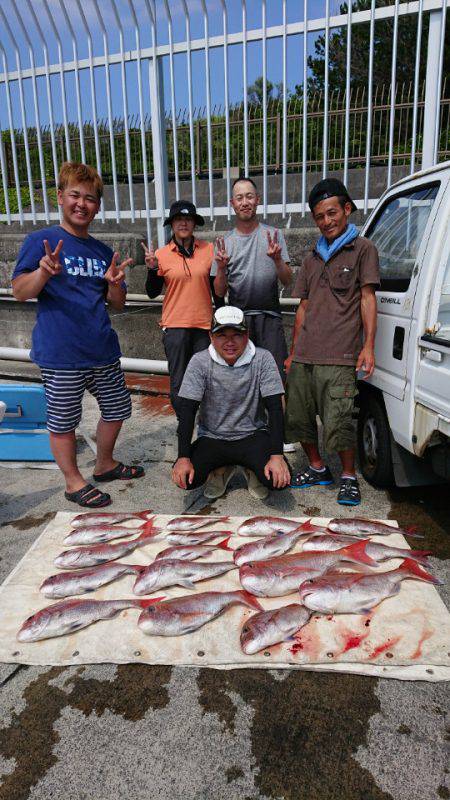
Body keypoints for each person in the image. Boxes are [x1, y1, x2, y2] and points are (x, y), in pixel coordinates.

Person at [12, 161, 144, 508]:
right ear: (60, 197)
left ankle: (105, 464)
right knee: (64, 420)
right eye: (75, 195)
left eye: (90, 198)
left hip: (102, 349)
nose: (82, 204)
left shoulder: (102, 252)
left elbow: (117, 305)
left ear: (97, 206)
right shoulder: (41, 241)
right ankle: (73, 482)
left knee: (117, 409)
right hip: (61, 352)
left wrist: (115, 285)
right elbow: (20, 292)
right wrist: (42, 273)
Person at [284, 178, 380, 506]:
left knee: (338, 421)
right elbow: (303, 307)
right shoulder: (311, 257)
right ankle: (316, 467)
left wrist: (368, 346)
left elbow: (368, 299)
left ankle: (349, 476)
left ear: (347, 209)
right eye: (319, 216)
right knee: (299, 416)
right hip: (305, 355)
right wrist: (294, 351)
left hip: (340, 354)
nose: (326, 221)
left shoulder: (364, 249)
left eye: (332, 213)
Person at [171, 306, 291, 501]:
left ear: (247, 335)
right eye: (221, 335)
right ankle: (220, 470)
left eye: (237, 334)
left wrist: (277, 456)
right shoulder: (200, 362)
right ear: (211, 336)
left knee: (279, 480)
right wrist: (183, 457)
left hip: (252, 435)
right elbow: (187, 411)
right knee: (187, 479)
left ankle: (251, 470)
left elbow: (275, 408)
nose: (229, 342)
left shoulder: (263, 358)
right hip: (213, 437)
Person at [143, 200, 222, 417]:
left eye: (188, 219)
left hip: (203, 326)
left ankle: (205, 426)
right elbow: (152, 292)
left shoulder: (209, 250)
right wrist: (151, 269)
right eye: (179, 219)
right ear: (172, 224)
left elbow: (218, 293)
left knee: (205, 380)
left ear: (195, 223)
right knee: (179, 381)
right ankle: (184, 424)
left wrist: (221, 324)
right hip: (175, 326)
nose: (183, 223)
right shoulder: (161, 254)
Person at [212, 177, 292, 383]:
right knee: (241, 380)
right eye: (239, 198)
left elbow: (288, 280)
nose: (244, 202)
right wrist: (221, 269)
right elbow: (219, 292)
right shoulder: (225, 242)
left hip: (270, 318)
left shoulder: (274, 235)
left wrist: (277, 260)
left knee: (275, 379)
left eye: (249, 196)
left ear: (258, 199)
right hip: (239, 323)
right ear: (232, 204)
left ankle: (275, 416)